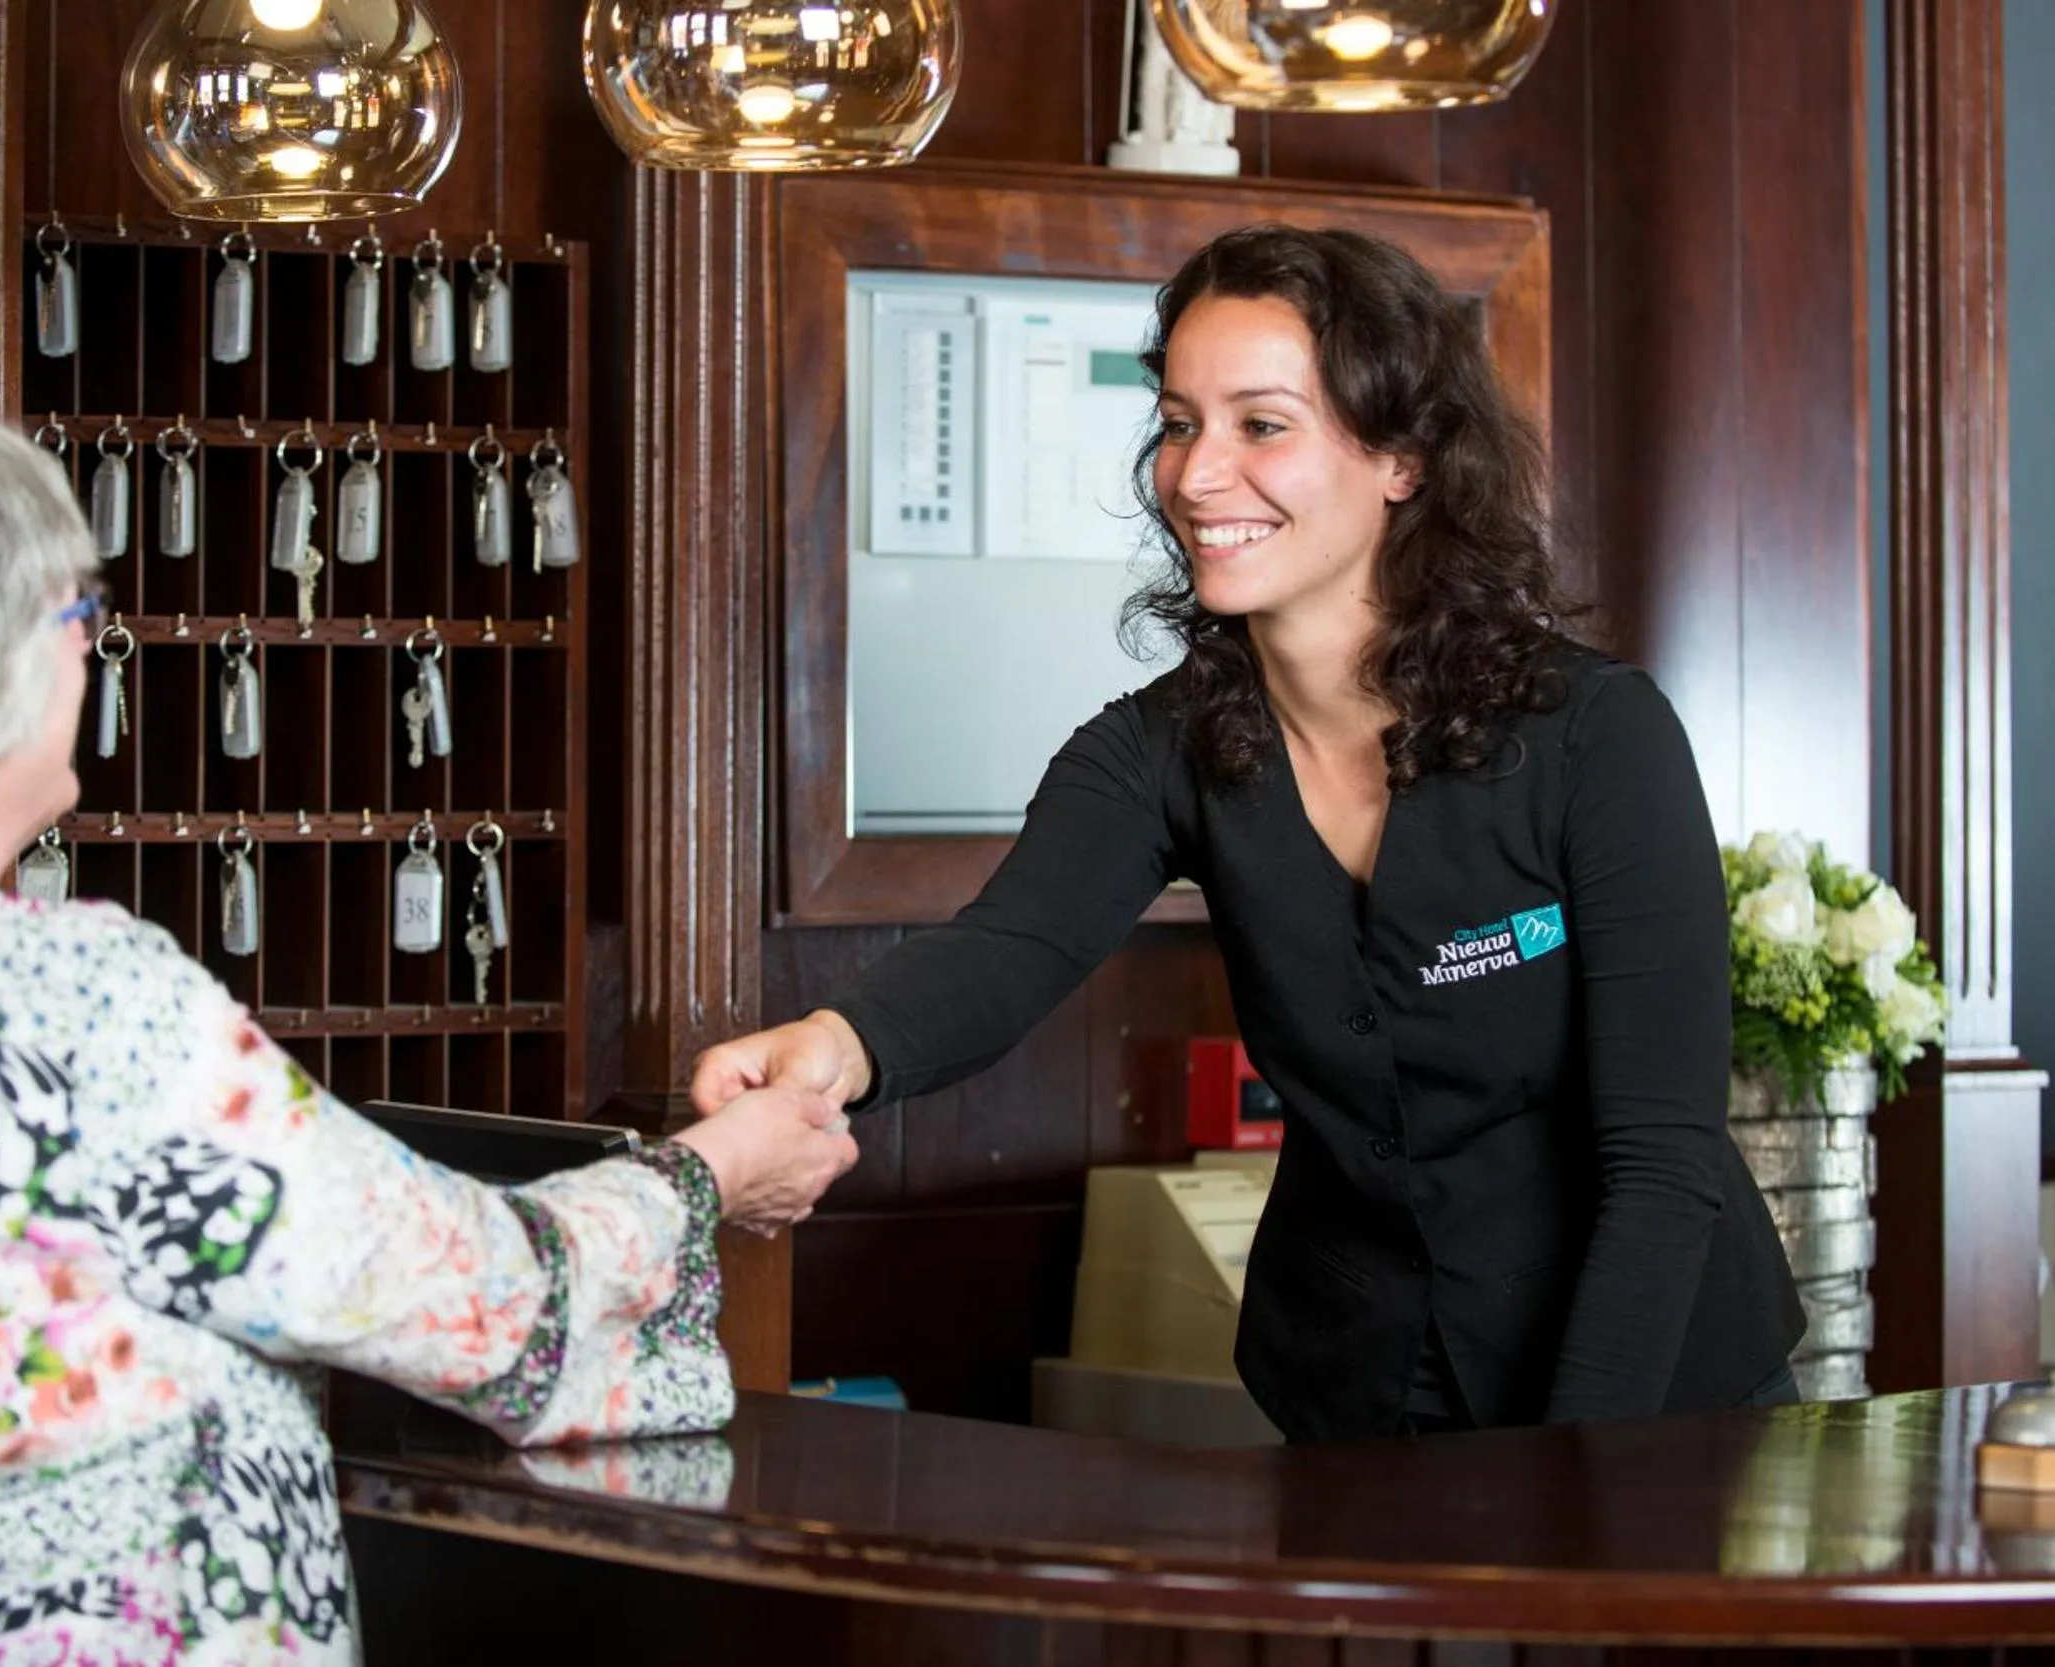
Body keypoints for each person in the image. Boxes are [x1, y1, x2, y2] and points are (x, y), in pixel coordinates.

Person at [0, 405, 857, 1663]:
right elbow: (498, 1303)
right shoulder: (65, 1005)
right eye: (76, 614)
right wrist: (717, 1167)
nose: (93, 647)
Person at [693, 224, 1804, 1444]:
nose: (1197, 474)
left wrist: (1574, 1487)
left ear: (1401, 458)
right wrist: (834, 1043)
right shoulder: (1155, 749)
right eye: (1178, 423)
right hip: (1362, 1400)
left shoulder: (1596, 739)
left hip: (1653, 1400)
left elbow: (1659, 1164)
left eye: (1260, 425)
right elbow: (1007, 946)